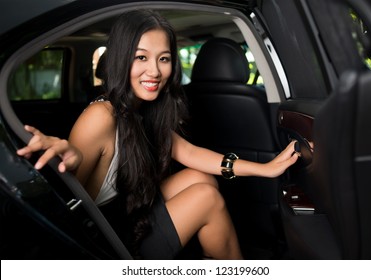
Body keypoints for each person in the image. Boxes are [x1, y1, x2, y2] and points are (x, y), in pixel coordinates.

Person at [17, 9, 299, 260]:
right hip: (104, 240)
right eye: (141, 57)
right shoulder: (101, 115)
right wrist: (70, 159)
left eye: (163, 58)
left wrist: (265, 169)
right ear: (121, 59)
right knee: (206, 198)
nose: (154, 71)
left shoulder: (144, 109)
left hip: (126, 213)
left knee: (200, 178)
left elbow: (188, 153)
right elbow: (69, 193)